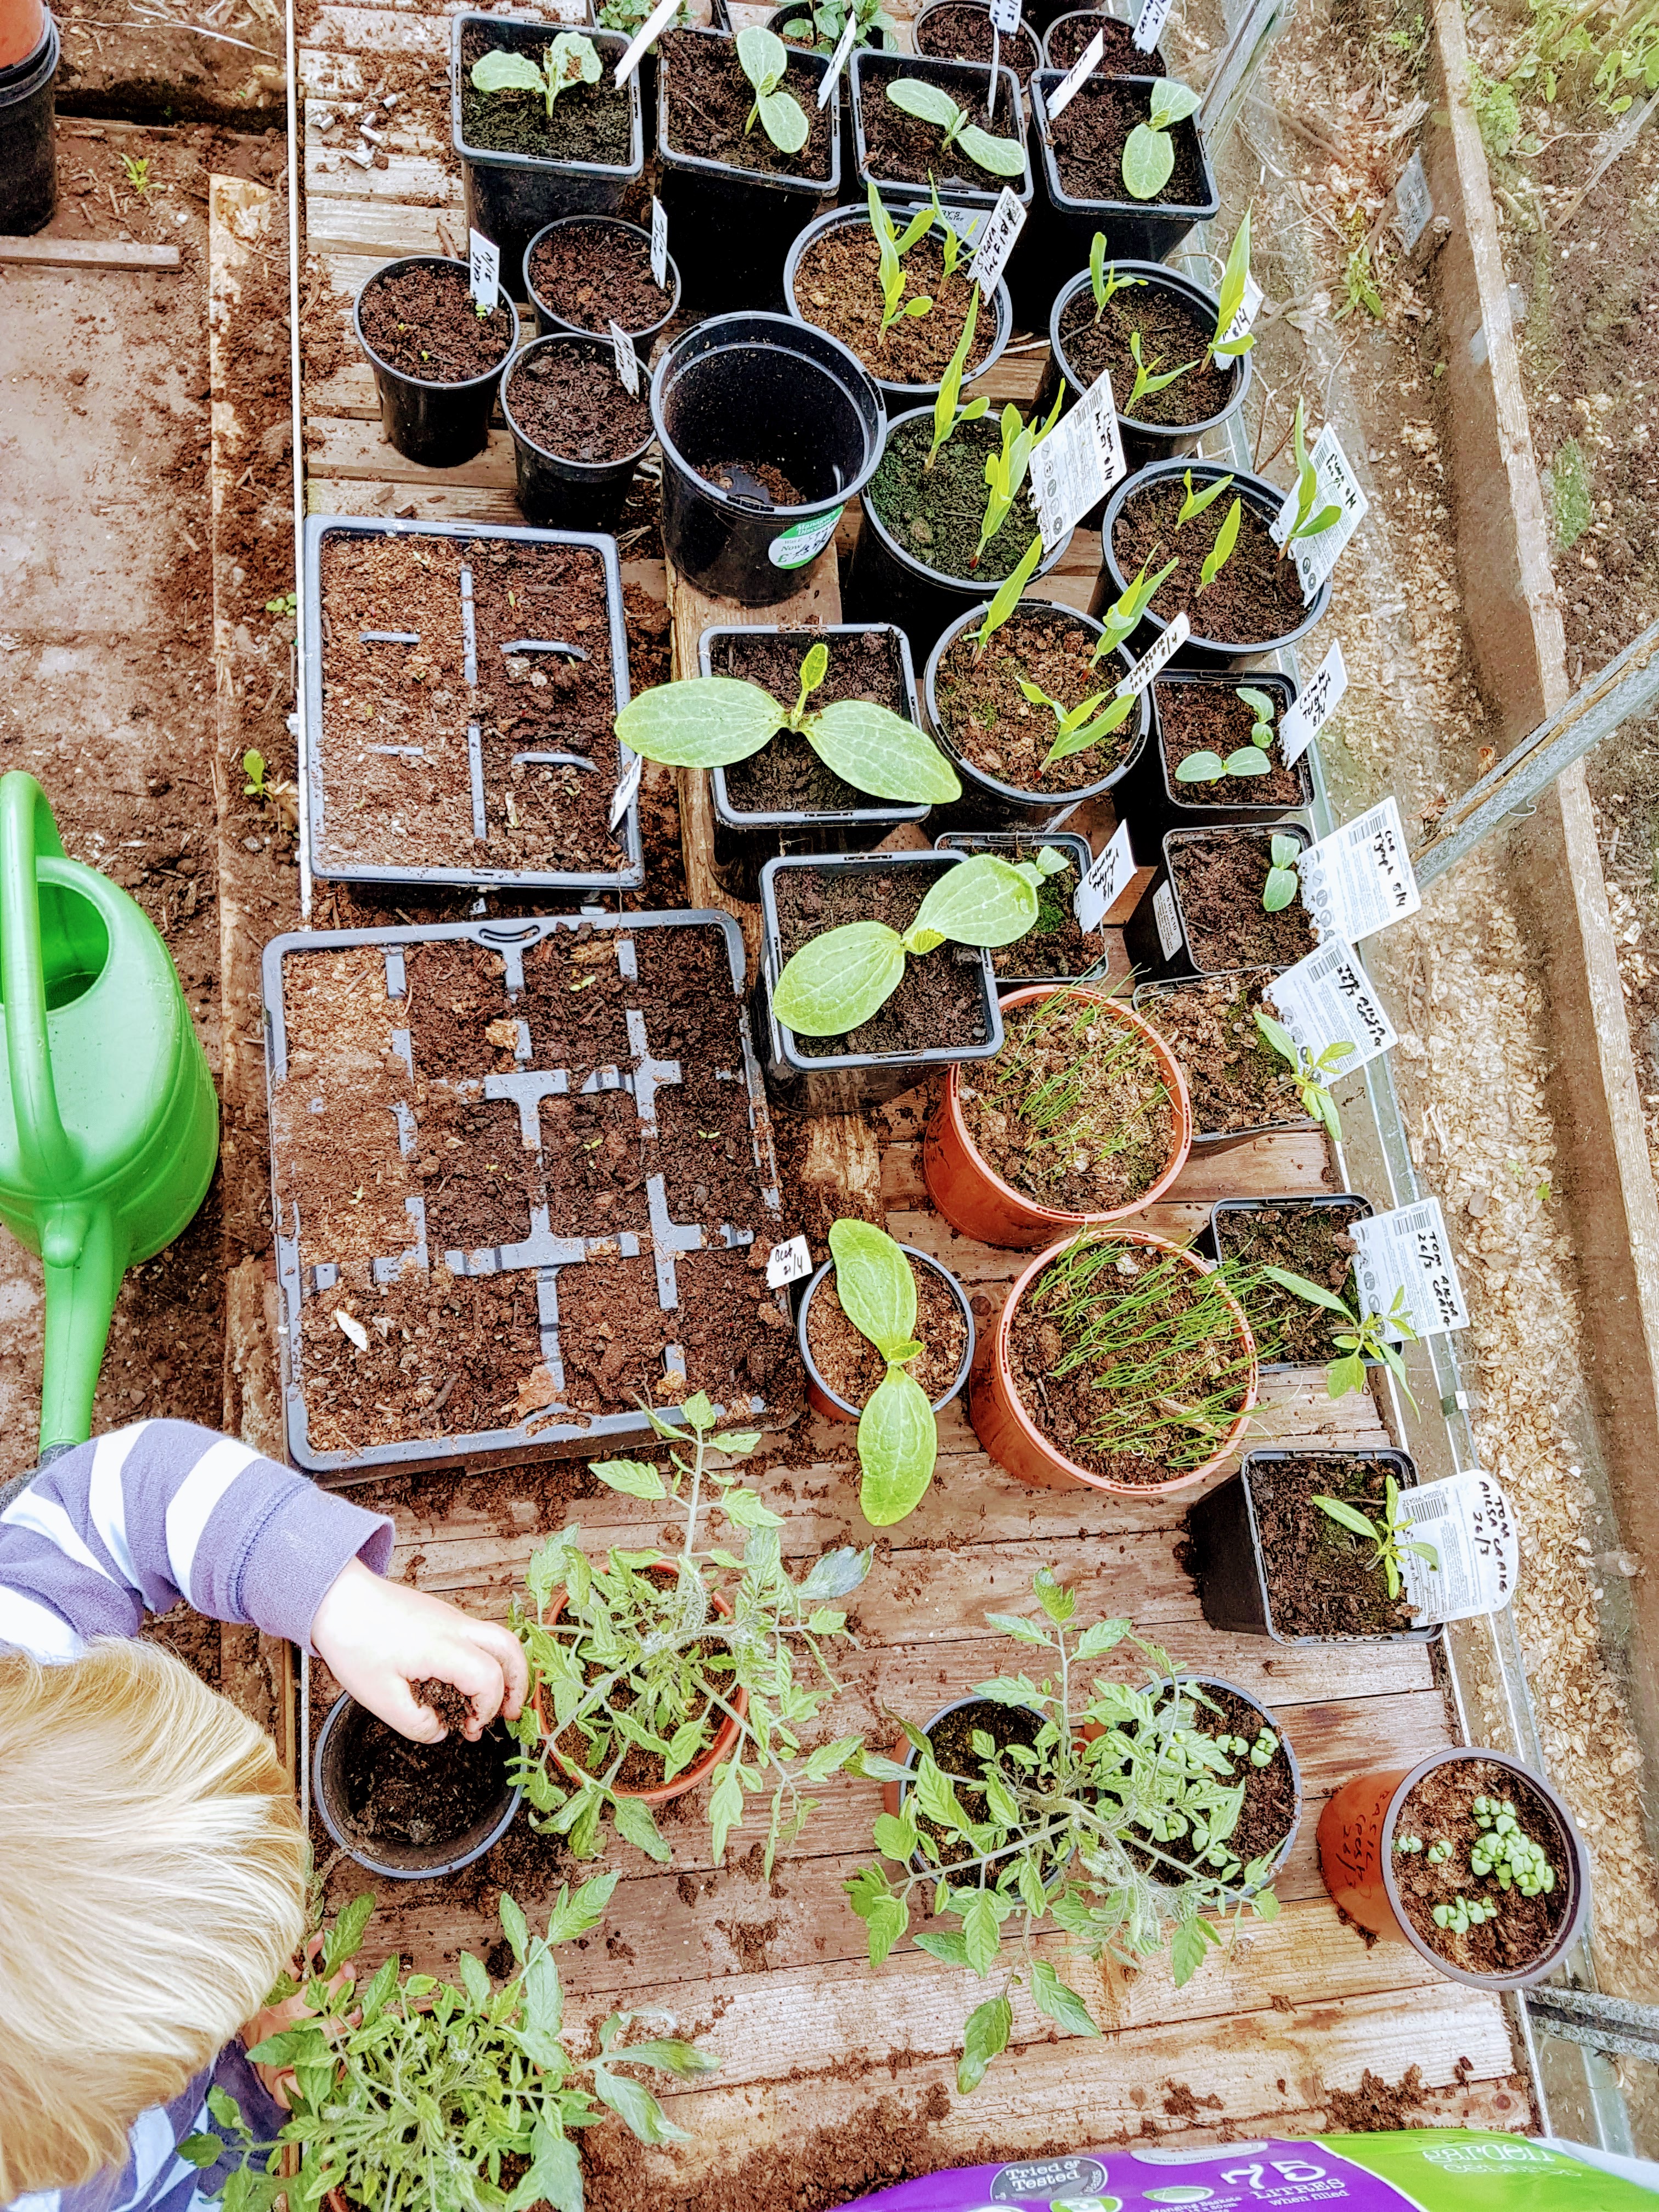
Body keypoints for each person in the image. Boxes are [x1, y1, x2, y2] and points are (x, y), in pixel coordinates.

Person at [0, 1417, 529, 2212]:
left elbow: (131, 1490)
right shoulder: (70, 2184)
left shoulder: (23, 1656)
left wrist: (345, 1604)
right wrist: (262, 2123)